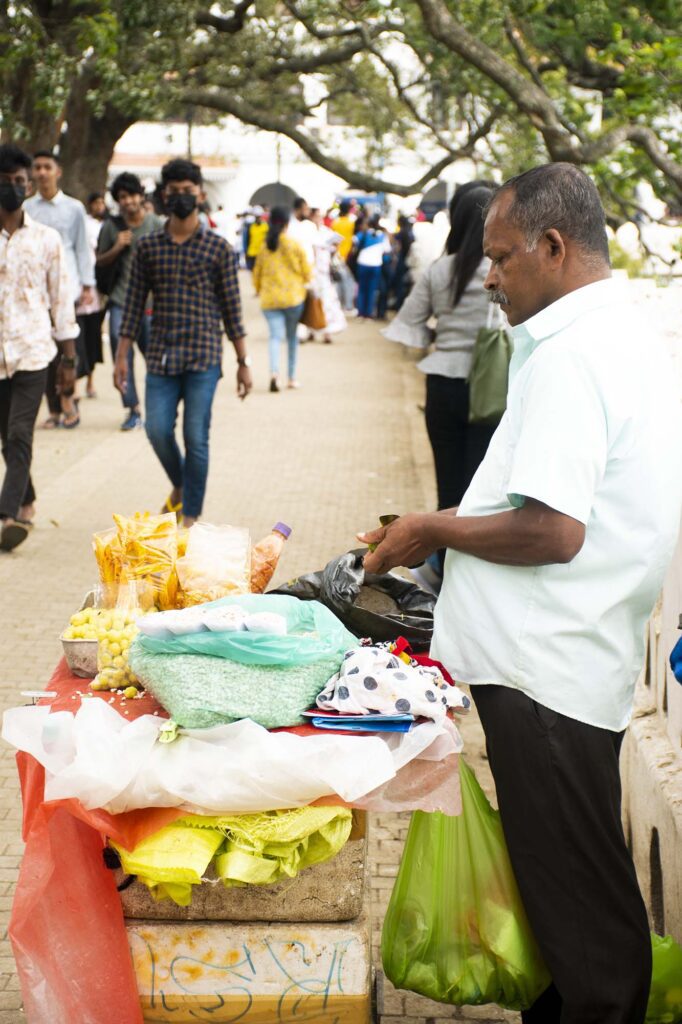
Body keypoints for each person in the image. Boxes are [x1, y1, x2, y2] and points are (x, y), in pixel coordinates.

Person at [360, 163, 682, 1024]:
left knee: (581, 900)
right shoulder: (620, 334)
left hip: (549, 668)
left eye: (502, 257)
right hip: (574, 658)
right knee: (563, 881)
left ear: (552, 245)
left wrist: (429, 529)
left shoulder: (574, 357)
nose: (490, 276)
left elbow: (552, 529)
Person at [114, 158, 251, 527]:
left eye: (187, 192)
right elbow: (132, 305)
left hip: (204, 358)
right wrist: (121, 357)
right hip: (160, 357)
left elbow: (232, 311)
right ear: (162, 196)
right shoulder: (148, 248)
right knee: (157, 430)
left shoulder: (219, 249)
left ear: (201, 195)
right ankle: (181, 486)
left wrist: (243, 362)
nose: (180, 199)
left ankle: (189, 517)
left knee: (196, 437)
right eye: (173, 192)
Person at [384, 183, 497, 589]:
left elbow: (407, 324)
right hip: (493, 390)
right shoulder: (502, 267)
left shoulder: (440, 269)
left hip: (443, 387)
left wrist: (439, 335)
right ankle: (472, 581)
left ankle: (441, 573)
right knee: (482, 495)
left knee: (448, 488)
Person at [0, 143, 79, 551]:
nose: (14, 188)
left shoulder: (47, 240)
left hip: (34, 351)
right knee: (5, 437)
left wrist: (69, 360)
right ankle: (27, 500)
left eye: (20, 181)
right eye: (6, 181)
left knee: (18, 433)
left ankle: (6, 515)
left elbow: (61, 300)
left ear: (28, 185)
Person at [24, 150, 95, 429]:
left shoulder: (75, 208)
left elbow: (81, 248)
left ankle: (69, 397)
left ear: (58, 171)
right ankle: (53, 408)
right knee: (44, 348)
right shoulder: (27, 208)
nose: (42, 172)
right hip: (36, 290)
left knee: (68, 344)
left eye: (47, 167)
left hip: (68, 287)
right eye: (37, 167)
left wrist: (88, 285)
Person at [97, 172, 164, 430]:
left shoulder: (156, 225)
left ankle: (160, 406)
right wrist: (116, 247)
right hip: (120, 301)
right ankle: (133, 408)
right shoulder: (112, 227)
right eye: (122, 197)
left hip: (151, 304)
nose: (128, 201)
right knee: (120, 351)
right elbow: (99, 261)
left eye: (132, 195)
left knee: (154, 356)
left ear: (141, 196)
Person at [252, 205, 311, 392]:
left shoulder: (265, 246)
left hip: (270, 299)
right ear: (287, 222)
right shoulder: (294, 245)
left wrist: (260, 289)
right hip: (293, 298)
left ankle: (274, 374)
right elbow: (307, 272)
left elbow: (257, 274)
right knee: (292, 337)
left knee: (275, 338)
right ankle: (291, 377)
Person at [77, 192, 108, 400]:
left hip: (98, 290)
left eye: (101, 202)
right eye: (95, 202)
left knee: (93, 337)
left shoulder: (106, 227)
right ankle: (76, 383)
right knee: (77, 337)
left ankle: (90, 380)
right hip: (78, 288)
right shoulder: (83, 225)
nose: (99, 206)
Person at [308, 208, 347, 343]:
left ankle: (327, 332)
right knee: (311, 302)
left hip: (324, 272)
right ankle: (310, 330)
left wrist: (334, 247)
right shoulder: (307, 232)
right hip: (311, 272)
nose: (319, 219)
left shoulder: (326, 232)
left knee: (326, 302)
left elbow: (333, 250)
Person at [354, 215, 391, 319]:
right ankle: (368, 313)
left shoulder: (364, 234)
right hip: (376, 265)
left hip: (362, 263)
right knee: (371, 290)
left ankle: (361, 312)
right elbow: (387, 250)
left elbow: (354, 241)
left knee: (362, 289)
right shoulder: (382, 235)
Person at [331, 200, 356, 311]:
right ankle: (347, 305)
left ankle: (339, 303)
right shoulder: (351, 223)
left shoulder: (335, 222)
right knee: (347, 282)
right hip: (346, 257)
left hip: (336, 255)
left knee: (338, 281)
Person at [287, 196, 317, 267]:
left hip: (309, 264)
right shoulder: (288, 225)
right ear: (298, 209)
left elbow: (314, 246)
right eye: (305, 209)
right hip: (294, 265)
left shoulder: (311, 225)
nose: (308, 212)